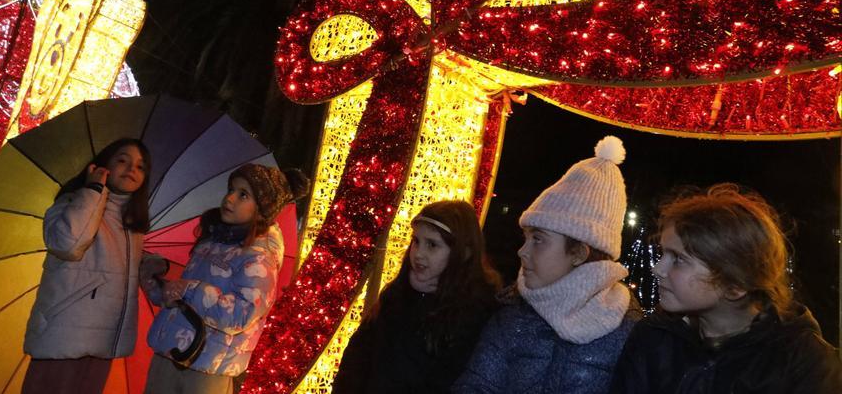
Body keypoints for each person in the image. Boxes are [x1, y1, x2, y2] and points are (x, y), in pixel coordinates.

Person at [610, 183, 842, 393]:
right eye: (663, 253)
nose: (657, 269)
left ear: (735, 284)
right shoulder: (654, 339)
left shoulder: (802, 361)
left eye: (678, 259)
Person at [454, 136, 641, 394]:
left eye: (538, 240)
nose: (522, 251)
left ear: (578, 253)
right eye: (526, 238)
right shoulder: (511, 316)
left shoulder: (630, 333)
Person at [142, 163, 309, 394]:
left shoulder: (259, 259)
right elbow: (180, 301)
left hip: (207, 370)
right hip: (169, 356)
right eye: (231, 190)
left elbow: (241, 315)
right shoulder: (211, 243)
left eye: (243, 195)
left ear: (262, 209)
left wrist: (190, 289)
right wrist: (154, 280)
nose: (230, 198)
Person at [22, 138, 152, 394]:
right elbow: (68, 245)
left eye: (141, 166)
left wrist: (149, 264)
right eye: (122, 160)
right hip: (64, 334)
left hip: (103, 340)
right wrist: (93, 189)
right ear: (103, 165)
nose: (131, 169)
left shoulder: (131, 226)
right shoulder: (73, 203)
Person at [332, 200, 501, 393]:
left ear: (463, 253)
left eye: (432, 245)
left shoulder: (474, 313)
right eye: (416, 241)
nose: (419, 254)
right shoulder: (396, 295)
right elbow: (356, 359)